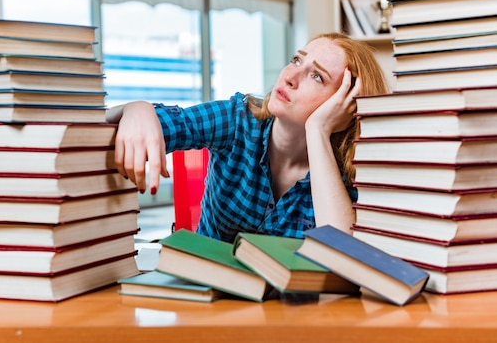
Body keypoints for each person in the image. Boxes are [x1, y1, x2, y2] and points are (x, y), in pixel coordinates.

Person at [106, 32, 390, 243]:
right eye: (296, 60)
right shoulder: (238, 119)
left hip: (289, 315)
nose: (291, 77)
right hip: (205, 300)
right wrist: (136, 108)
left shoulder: (351, 173)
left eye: (317, 77)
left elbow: (344, 255)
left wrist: (317, 129)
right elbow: (108, 125)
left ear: (346, 104)